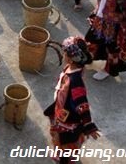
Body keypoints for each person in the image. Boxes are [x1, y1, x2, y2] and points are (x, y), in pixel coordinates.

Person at [44, 36, 100, 164]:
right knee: (58, 136)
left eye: (64, 52)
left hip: (69, 119)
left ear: (70, 57)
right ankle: (60, 153)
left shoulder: (75, 81)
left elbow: (82, 104)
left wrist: (88, 125)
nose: (63, 55)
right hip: (61, 111)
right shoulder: (71, 68)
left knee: (67, 142)